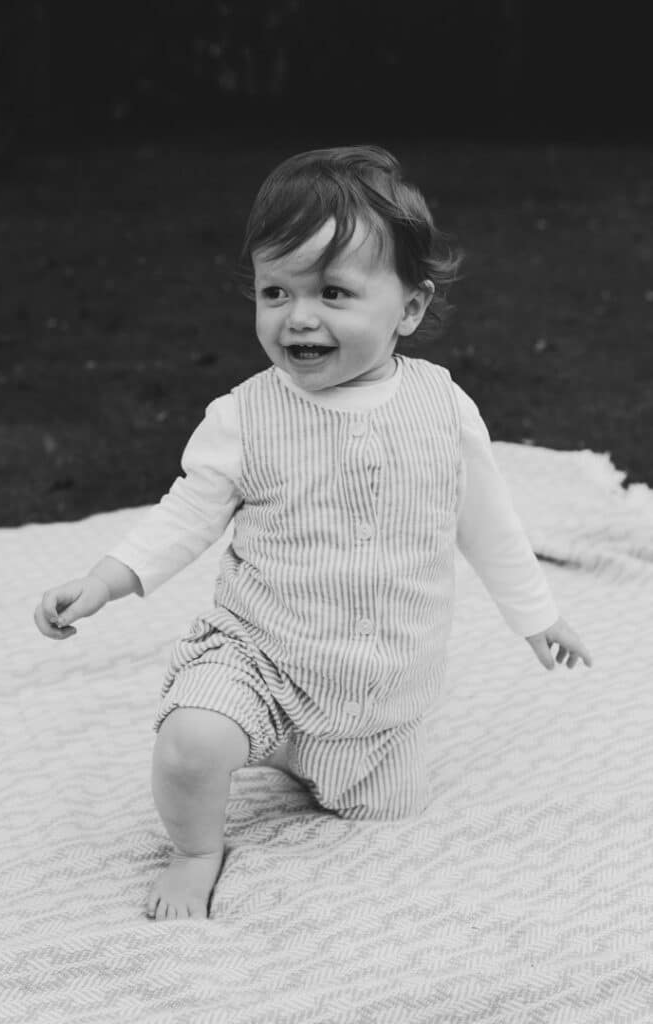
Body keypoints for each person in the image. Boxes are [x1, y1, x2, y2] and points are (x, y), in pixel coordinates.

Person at [34, 145, 593, 922]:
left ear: (408, 309)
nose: (298, 317)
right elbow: (183, 517)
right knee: (191, 744)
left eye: (333, 292)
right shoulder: (244, 417)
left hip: (381, 686)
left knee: (386, 814)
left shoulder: (443, 409)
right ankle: (196, 849)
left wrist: (536, 616)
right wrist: (101, 580)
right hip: (262, 657)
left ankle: (318, 756)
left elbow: (487, 522)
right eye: (274, 291)